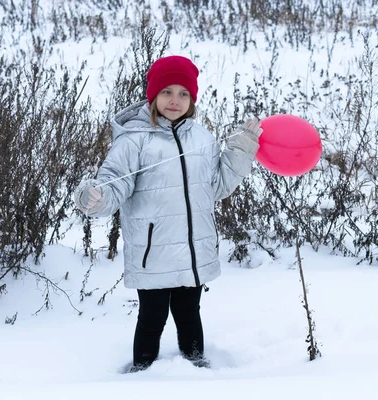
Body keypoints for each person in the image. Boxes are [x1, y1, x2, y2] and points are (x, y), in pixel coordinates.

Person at [73, 55, 262, 372]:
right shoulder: (134, 141)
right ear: (153, 95)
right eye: (167, 92)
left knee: (190, 314)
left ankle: (198, 369)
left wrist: (242, 147)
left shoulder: (201, 138)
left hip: (193, 251)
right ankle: (140, 374)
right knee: (152, 318)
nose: (175, 100)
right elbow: (112, 185)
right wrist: (95, 197)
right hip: (153, 253)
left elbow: (216, 186)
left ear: (192, 99)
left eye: (183, 93)